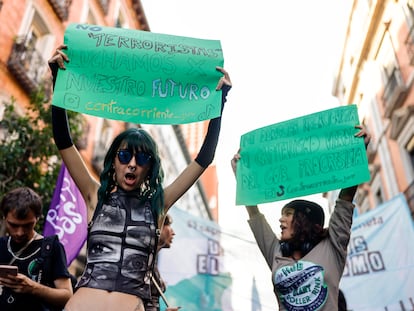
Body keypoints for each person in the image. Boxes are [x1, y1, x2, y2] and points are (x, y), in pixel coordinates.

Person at [48, 45, 231, 311]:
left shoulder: (158, 204)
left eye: (142, 159)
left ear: (150, 168)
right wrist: (59, 82)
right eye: (125, 156)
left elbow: (203, 160)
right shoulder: (94, 193)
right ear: (114, 161)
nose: (132, 164)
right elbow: (64, 142)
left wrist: (219, 103)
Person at [231, 126, 370, 311]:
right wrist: (241, 176)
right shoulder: (276, 252)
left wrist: (357, 152)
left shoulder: (332, 246)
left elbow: (345, 200)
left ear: (305, 221)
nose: (281, 220)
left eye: (288, 214)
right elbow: (254, 215)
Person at [0, 187, 73, 310]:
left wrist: (32, 288)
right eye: (13, 225)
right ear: (4, 218)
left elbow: (67, 296)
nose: (19, 232)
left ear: (37, 219)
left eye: (27, 225)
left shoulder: (51, 247)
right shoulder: (1, 245)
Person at [144, 214, 179, 311]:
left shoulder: (152, 263)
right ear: (157, 227)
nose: (173, 232)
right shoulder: (140, 261)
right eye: (168, 225)